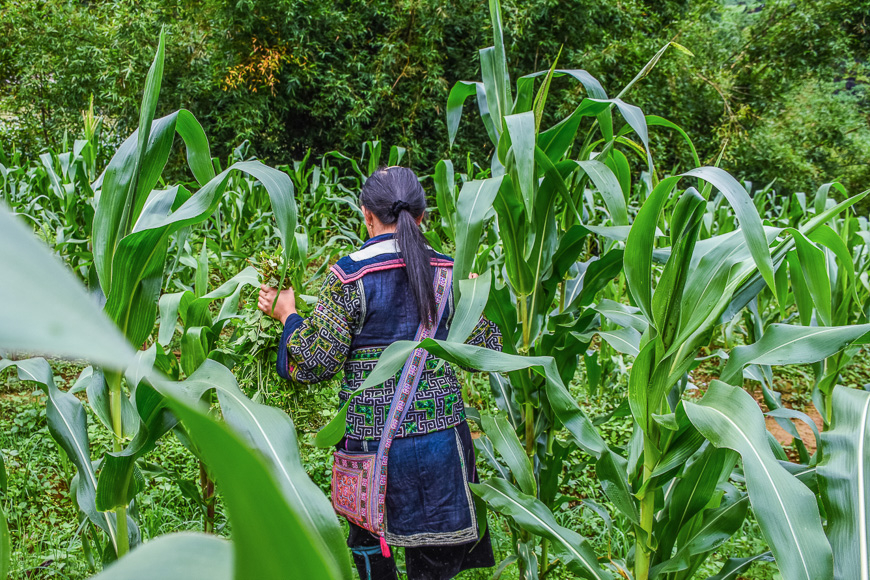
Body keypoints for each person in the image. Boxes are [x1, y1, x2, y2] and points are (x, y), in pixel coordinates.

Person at [258, 166, 502, 580]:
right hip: (442, 445)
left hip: (372, 452)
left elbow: (313, 363)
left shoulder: (350, 275)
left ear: (366, 216)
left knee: (374, 556)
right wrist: (480, 297)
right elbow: (487, 350)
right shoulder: (450, 272)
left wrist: (288, 315)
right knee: (434, 564)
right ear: (421, 216)